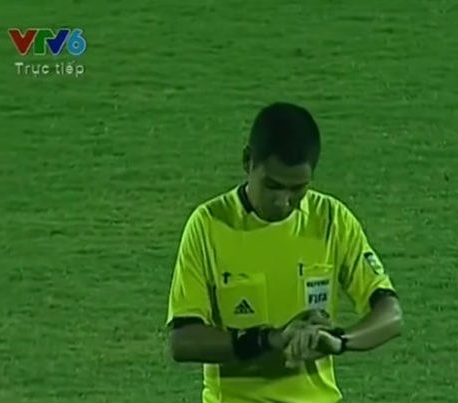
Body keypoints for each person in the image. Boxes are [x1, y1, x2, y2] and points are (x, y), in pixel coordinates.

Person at [165, 102, 404, 403]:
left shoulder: (331, 220)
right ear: (248, 162)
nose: (283, 201)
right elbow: (183, 341)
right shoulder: (209, 225)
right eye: (273, 186)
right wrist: (269, 339)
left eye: (297, 189)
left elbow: (391, 314)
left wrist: (339, 340)